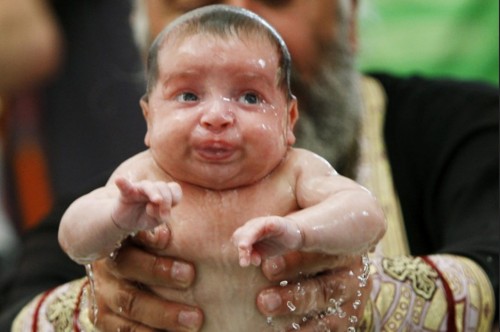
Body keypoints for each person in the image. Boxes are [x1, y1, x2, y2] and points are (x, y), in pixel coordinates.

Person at [2, 0, 498, 331]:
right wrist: (97, 309)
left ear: (349, 20)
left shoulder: (469, 128)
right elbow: (20, 308)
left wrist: (364, 291)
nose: (236, 21)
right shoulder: (132, 189)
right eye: (193, 4)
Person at [54, 8, 385, 330]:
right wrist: (115, 218)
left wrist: (301, 230)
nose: (216, 116)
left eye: (250, 98)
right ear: (149, 118)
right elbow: (73, 238)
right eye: (188, 95)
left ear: (288, 119)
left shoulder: (296, 173)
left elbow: (368, 216)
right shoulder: (143, 179)